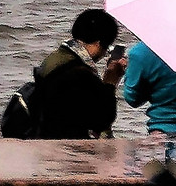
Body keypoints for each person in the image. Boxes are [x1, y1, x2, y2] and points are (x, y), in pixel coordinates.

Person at [21, 8, 126, 140]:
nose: (105, 53)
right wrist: (111, 82)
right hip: (64, 145)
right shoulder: (81, 74)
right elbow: (102, 119)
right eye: (107, 47)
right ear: (98, 44)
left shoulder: (55, 58)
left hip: (41, 136)